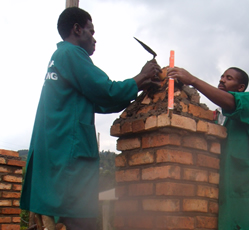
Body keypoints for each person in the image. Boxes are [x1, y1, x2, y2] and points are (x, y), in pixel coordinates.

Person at [20, 7, 161, 230]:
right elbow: (106, 91)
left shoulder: (60, 59)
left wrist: (139, 86)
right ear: (77, 29)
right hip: (67, 163)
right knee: (80, 223)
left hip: (58, 163)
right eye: (91, 32)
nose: (94, 39)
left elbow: (102, 101)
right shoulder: (71, 53)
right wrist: (142, 75)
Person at [167, 67, 249, 229]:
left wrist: (193, 80)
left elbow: (231, 102)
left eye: (229, 78)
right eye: (222, 76)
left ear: (240, 87)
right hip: (220, 189)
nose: (222, 80)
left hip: (245, 190)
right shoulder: (219, 116)